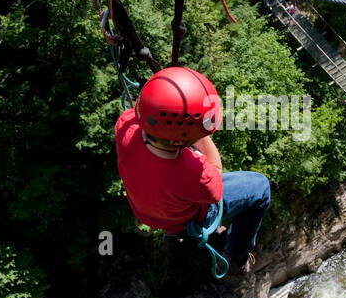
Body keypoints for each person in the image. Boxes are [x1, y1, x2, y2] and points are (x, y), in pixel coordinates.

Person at [115, 66, 270, 275]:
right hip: (189, 219)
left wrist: (171, 102)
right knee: (260, 187)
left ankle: (188, 233)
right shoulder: (190, 171)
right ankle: (238, 254)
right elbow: (214, 183)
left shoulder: (125, 127)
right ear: (181, 139)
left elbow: (142, 114)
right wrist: (197, 132)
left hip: (152, 213)